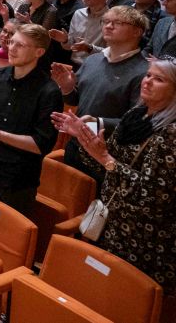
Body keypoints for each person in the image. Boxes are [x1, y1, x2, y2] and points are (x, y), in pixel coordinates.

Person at [52, 59, 176, 317]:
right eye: (148, 75)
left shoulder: (171, 134)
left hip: (145, 239)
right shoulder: (135, 115)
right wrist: (84, 139)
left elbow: (153, 195)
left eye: (159, 79)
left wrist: (106, 159)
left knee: (127, 305)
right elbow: (105, 165)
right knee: (101, 296)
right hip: (112, 224)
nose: (147, 81)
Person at [0, 24, 61, 215]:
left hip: (17, 180)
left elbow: (40, 145)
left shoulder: (49, 92)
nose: (11, 48)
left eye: (20, 45)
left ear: (39, 52)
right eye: (11, 42)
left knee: (7, 231)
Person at [50, 5, 149, 184]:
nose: (108, 26)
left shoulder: (145, 72)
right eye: (106, 21)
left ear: (137, 31)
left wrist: (98, 122)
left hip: (108, 153)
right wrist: (67, 87)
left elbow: (138, 122)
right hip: (77, 144)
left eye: (117, 22)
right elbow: (75, 99)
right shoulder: (93, 60)